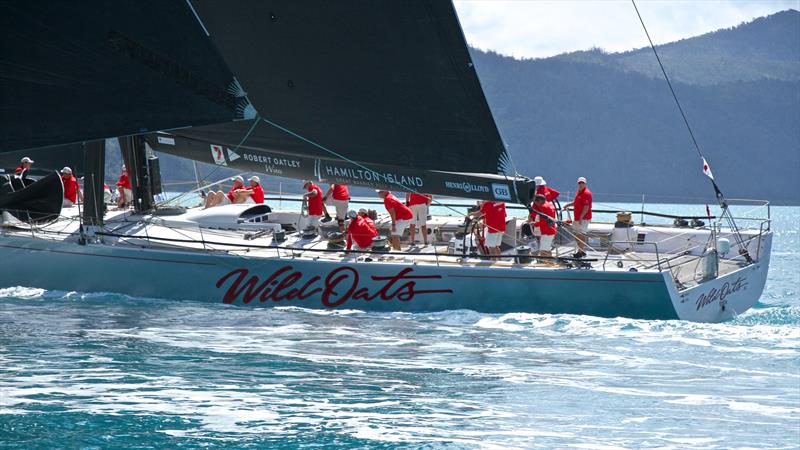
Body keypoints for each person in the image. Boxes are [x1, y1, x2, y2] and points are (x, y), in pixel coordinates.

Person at [563, 176, 593, 258]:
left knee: (581, 234)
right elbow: (576, 202)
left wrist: (581, 217)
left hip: (583, 218)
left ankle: (581, 251)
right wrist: (568, 205)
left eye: (582, 183)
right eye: (579, 183)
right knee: (576, 234)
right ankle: (581, 250)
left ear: (585, 183)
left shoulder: (586, 193)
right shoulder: (579, 192)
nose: (581, 184)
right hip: (577, 217)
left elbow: (586, 207)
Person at [529, 194, 557, 259]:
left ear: (539, 201)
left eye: (536, 203)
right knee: (546, 248)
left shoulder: (543, 207)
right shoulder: (550, 204)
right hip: (551, 230)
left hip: (547, 231)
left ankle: (547, 263)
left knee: (543, 250)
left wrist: (535, 224)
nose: (536, 205)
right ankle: (549, 261)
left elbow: (543, 222)